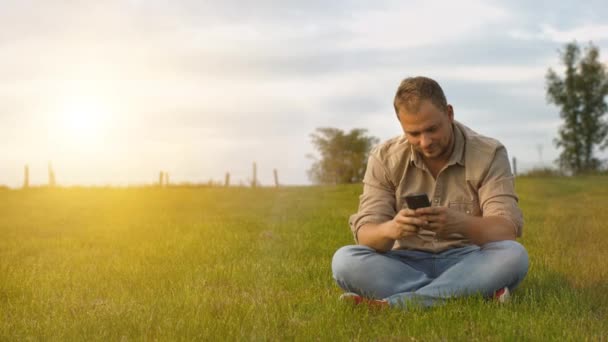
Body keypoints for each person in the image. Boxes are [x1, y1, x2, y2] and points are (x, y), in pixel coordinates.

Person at [331, 76, 529, 309]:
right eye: (414, 134)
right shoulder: (384, 157)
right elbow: (366, 234)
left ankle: (395, 305)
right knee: (345, 260)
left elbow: (506, 230)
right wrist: (392, 228)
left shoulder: (488, 153)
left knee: (513, 255)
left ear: (449, 114)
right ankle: (471, 292)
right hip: (403, 263)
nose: (425, 142)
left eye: (432, 129)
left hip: (468, 260)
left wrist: (461, 224)